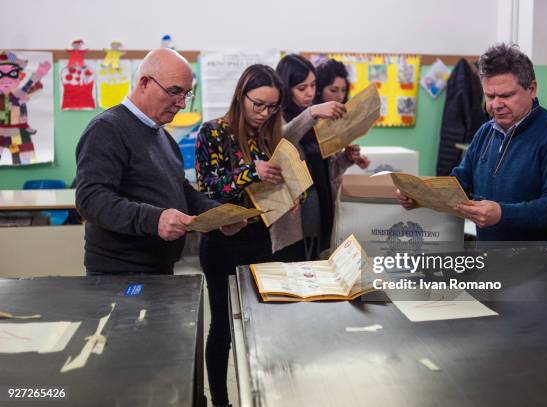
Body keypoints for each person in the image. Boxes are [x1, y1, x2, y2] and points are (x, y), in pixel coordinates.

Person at [76, 48, 244, 275]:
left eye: (186, 94)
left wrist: (217, 213)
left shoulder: (163, 136)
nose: (181, 104)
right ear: (144, 83)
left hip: (159, 267)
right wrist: (155, 219)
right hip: (119, 272)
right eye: (174, 92)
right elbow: (91, 199)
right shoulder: (107, 129)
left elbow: (181, 190)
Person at [397, 43, 547, 240]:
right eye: (490, 96)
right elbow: (459, 183)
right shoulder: (485, 132)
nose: (496, 105)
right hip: (492, 262)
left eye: (506, 95)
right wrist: (421, 195)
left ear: (531, 89)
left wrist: (502, 214)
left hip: (545, 264)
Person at [195, 64, 286, 407]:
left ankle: (263, 396)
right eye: (258, 104)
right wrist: (251, 170)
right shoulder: (212, 132)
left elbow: (278, 182)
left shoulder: (269, 136)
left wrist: (289, 199)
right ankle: (220, 401)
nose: (264, 113)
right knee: (222, 328)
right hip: (221, 242)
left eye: (272, 107)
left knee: (259, 325)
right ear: (241, 95)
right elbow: (209, 187)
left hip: (260, 239)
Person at [275, 54, 369, 260]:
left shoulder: (318, 120)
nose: (310, 93)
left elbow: (328, 171)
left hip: (323, 209)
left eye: (313, 85)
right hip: (294, 218)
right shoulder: (279, 116)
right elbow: (282, 140)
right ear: (285, 87)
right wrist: (311, 113)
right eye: (302, 88)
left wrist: (346, 159)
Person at [315, 58, 370, 169]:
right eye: (333, 90)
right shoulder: (310, 119)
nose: (340, 96)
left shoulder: (339, 118)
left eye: (344, 90)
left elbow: (333, 171)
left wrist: (348, 158)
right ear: (319, 90)